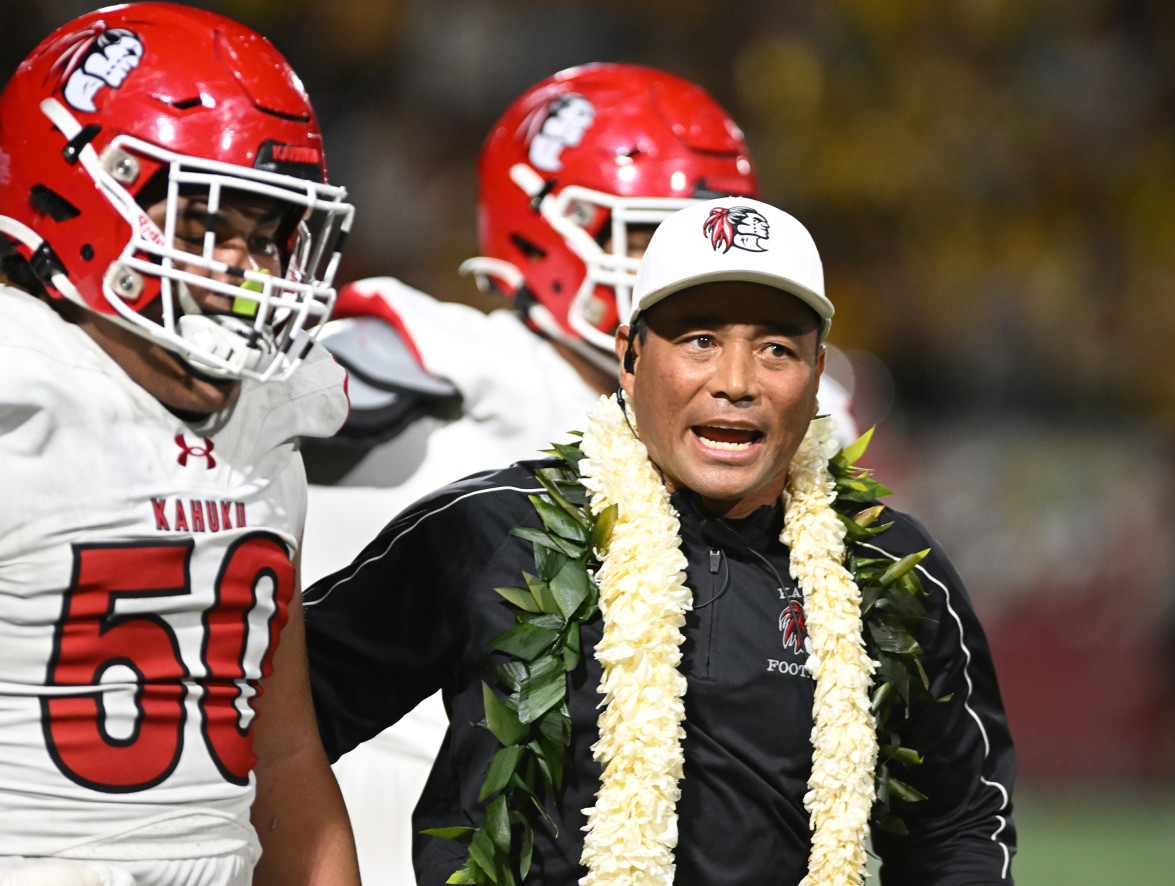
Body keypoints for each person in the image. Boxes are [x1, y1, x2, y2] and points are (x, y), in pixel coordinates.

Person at [303, 196, 1017, 886]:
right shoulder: (490, 531)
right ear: (630, 358)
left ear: (818, 375)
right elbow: (279, 726)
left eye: (775, 349)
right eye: (699, 340)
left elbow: (957, 830)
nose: (737, 383)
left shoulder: (886, 570)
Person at [301, 63, 857, 885]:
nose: (674, 267)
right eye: (644, 236)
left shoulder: (785, 422)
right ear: (542, 229)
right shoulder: (456, 362)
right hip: (390, 803)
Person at [0, 4, 359, 884]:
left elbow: (281, 756)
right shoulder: (21, 395)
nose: (244, 275)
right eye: (203, 230)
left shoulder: (268, 427)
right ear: (75, 192)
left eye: (267, 239)